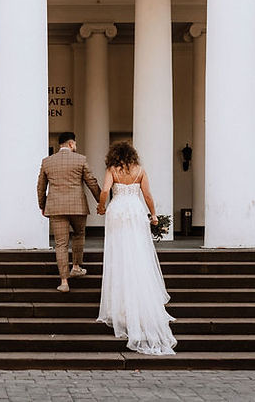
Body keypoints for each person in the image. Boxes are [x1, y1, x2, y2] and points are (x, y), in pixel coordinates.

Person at [96, 140, 176, 355]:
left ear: (114, 155)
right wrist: (153, 214)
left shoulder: (112, 169)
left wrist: (101, 206)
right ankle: (140, 300)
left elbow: (104, 191)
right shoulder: (140, 171)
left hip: (118, 210)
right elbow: (148, 196)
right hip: (135, 210)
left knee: (118, 255)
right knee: (138, 253)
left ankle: (119, 306)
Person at [36, 131, 100, 293]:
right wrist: (101, 201)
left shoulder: (47, 162)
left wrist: (42, 205)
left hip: (56, 207)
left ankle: (64, 282)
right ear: (71, 144)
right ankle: (76, 266)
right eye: (75, 144)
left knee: (61, 244)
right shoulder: (81, 159)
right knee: (79, 234)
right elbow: (91, 182)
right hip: (77, 206)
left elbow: (41, 187)